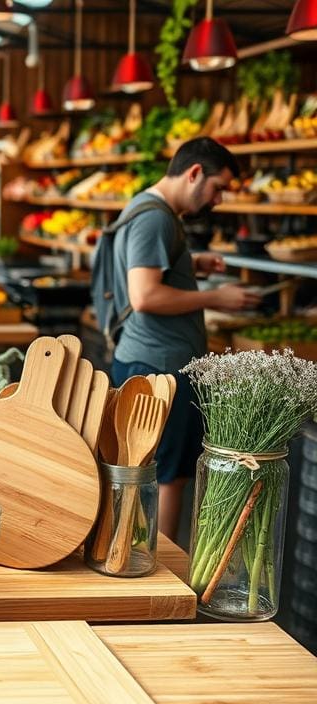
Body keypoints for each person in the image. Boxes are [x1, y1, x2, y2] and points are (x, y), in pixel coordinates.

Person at [111, 137, 261, 539]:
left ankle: (140, 566)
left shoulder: (152, 212)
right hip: (160, 368)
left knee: (146, 472)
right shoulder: (155, 218)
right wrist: (217, 297)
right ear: (194, 173)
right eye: (218, 188)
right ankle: (159, 581)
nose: (219, 199)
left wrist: (190, 263)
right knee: (168, 476)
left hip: (150, 362)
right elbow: (144, 295)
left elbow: (145, 272)